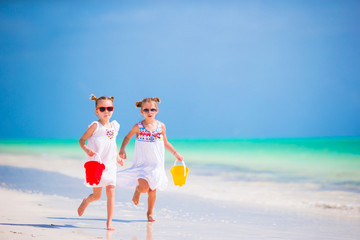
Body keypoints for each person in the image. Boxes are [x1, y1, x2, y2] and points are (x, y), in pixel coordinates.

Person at [117, 97, 183, 222]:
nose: (149, 112)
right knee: (144, 188)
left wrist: (176, 153)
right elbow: (127, 137)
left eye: (152, 109)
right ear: (141, 111)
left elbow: (166, 143)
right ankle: (137, 190)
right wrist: (122, 150)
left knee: (152, 190)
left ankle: (150, 213)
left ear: (157, 110)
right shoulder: (138, 126)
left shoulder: (161, 126)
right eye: (146, 110)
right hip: (142, 164)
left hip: (156, 165)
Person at [77, 94, 124, 231]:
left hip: (110, 164)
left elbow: (113, 143)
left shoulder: (114, 126)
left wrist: (117, 157)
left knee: (111, 190)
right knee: (97, 196)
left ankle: (109, 222)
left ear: (113, 109)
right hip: (96, 165)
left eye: (109, 108)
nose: (106, 111)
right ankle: (86, 201)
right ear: (96, 111)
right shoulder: (95, 126)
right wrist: (86, 149)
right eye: (102, 109)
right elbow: (81, 141)